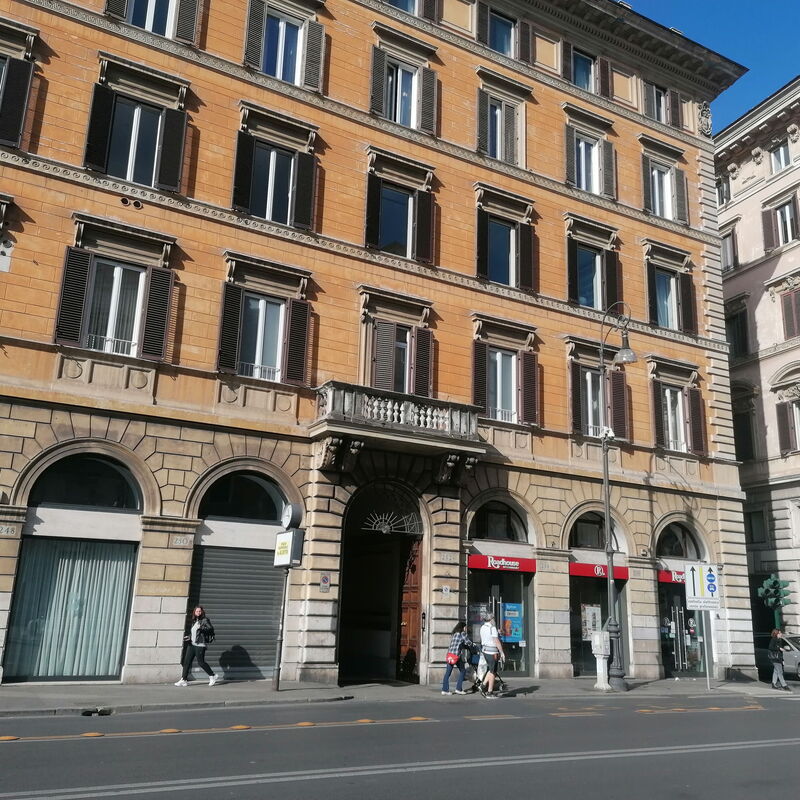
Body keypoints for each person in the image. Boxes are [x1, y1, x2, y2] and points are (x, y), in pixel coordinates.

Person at [175, 606, 218, 687]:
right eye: (197, 611)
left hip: (200, 645)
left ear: (202, 612)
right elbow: (194, 633)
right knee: (186, 662)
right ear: (194, 612)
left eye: (200, 611)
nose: (198, 612)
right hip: (192, 644)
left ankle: (212, 676)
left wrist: (201, 629)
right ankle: (184, 679)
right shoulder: (195, 621)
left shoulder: (205, 620)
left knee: (201, 662)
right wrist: (189, 637)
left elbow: (210, 629)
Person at [441, 621, 473, 695]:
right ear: (462, 627)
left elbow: (458, 644)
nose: (466, 628)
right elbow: (468, 642)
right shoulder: (462, 633)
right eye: (465, 627)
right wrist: (473, 645)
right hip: (456, 656)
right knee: (463, 671)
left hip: (450, 655)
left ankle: (444, 690)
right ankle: (458, 689)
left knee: (447, 673)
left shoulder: (455, 634)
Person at [478, 612, 505, 698]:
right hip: (492, 652)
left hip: (485, 651)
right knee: (493, 672)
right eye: (493, 618)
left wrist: (497, 632)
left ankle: (482, 685)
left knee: (491, 670)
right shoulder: (492, 628)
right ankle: (490, 692)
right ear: (490, 619)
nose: (494, 620)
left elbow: (488, 637)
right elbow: (496, 641)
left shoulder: (482, 627)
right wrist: (502, 652)